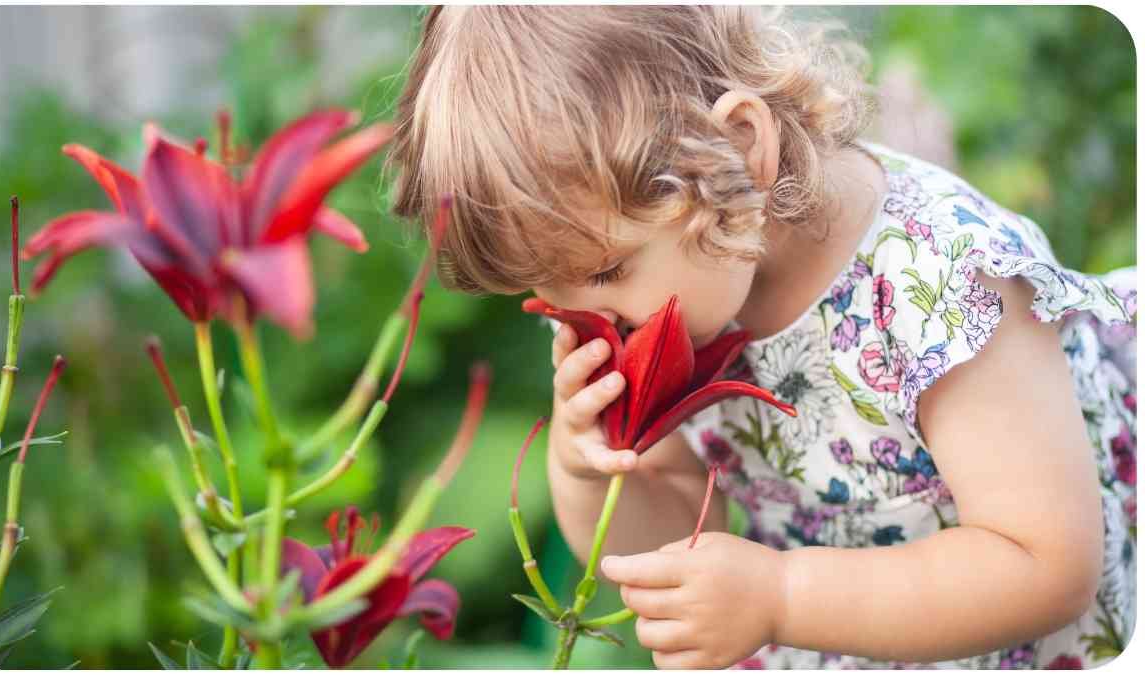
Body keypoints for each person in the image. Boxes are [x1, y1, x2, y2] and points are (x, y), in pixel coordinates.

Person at [384, 6, 1136, 669]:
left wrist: (781, 595)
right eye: (549, 294)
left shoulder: (937, 284)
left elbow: (1044, 563)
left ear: (740, 150)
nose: (593, 323)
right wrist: (593, 470)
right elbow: (674, 536)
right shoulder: (703, 287)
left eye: (608, 269)